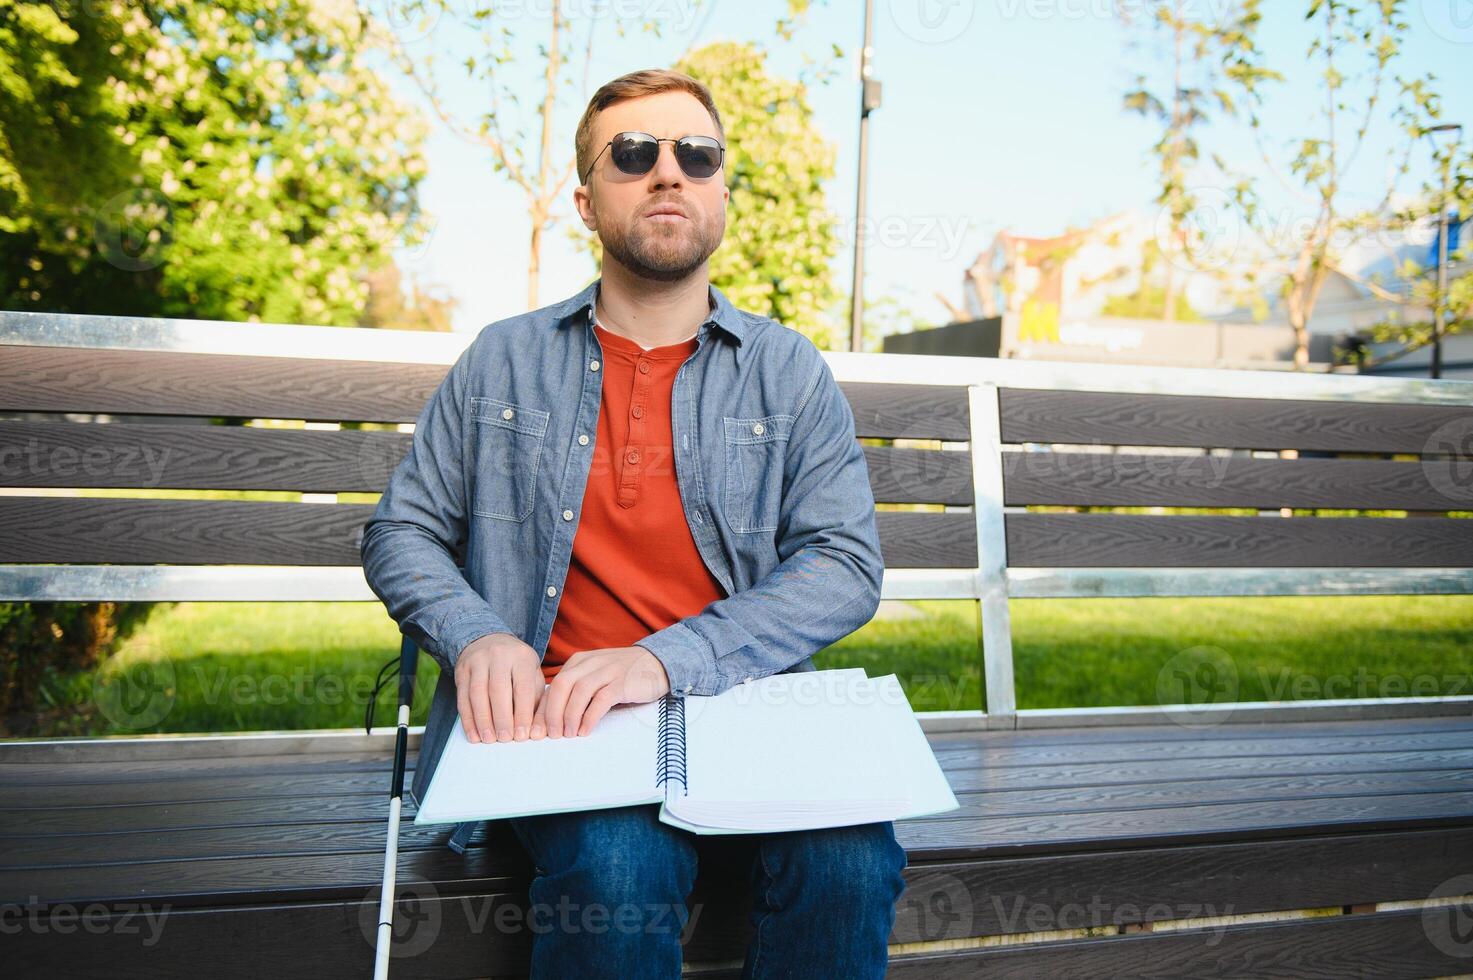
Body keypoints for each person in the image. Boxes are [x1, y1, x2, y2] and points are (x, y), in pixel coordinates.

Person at [360, 67, 906, 978]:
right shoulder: (503, 359)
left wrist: (664, 661)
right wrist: (477, 637)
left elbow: (845, 563)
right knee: (615, 873)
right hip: (560, 723)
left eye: (696, 154)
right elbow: (400, 531)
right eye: (633, 154)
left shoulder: (787, 370)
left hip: (744, 709)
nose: (668, 174)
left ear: (721, 188)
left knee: (849, 863)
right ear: (585, 200)